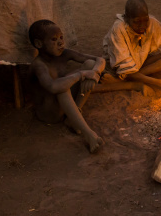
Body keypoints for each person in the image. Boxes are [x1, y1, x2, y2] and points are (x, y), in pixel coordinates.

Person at [28, 19, 105, 153]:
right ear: (39, 44)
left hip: (64, 104)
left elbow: (99, 60)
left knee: (88, 64)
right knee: (62, 86)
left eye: (61, 37)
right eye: (54, 39)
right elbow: (53, 87)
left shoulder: (65, 53)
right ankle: (89, 135)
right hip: (50, 113)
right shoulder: (39, 65)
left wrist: (95, 72)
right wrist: (82, 75)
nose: (60, 42)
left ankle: (73, 116)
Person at [102, 0, 161, 92]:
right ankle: (130, 80)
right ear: (127, 19)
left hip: (141, 65)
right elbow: (125, 71)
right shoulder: (118, 29)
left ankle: (136, 77)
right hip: (122, 70)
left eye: (145, 20)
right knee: (124, 73)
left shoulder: (152, 23)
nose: (143, 26)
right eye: (137, 22)